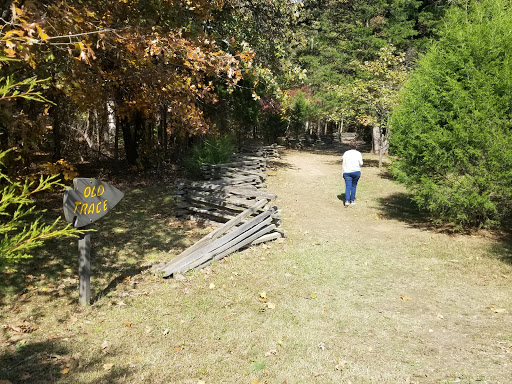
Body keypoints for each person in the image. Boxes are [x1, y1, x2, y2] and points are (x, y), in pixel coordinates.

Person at [342, 141, 363, 207]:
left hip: (347, 172)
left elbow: (343, 163)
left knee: (348, 187)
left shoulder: (346, 153)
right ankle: (352, 200)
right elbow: (361, 163)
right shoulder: (358, 153)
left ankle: (347, 201)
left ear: (349, 146)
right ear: (356, 146)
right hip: (356, 171)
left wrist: (342, 171)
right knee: (354, 186)